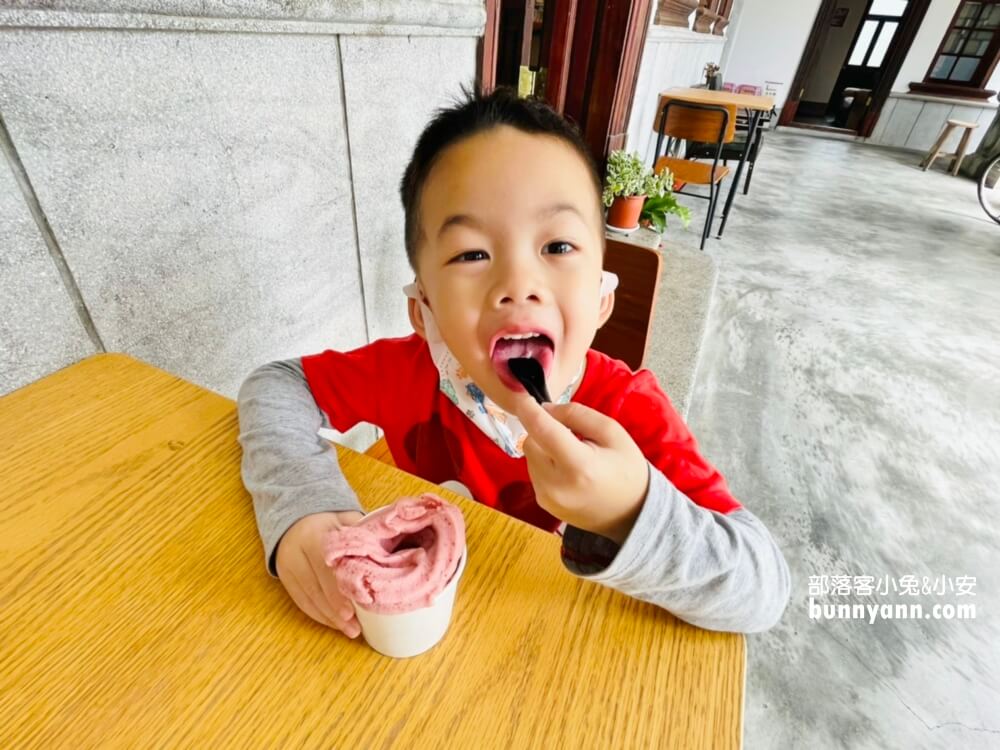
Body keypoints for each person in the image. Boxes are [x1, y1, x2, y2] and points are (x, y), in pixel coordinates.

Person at [237, 85, 790, 640]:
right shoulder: (411, 372)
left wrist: (630, 512)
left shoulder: (626, 408)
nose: (519, 285)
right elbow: (276, 385)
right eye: (472, 253)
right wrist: (303, 506)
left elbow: (762, 591)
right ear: (423, 308)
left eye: (558, 247)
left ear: (602, 297)